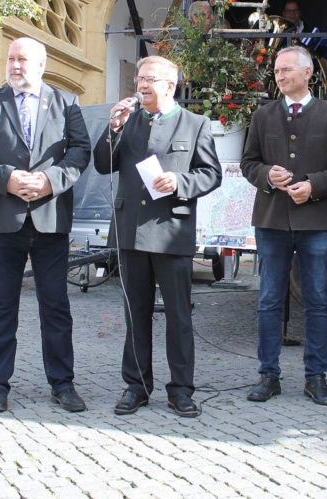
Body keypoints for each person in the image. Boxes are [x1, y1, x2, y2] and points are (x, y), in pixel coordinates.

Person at [0, 37, 91, 414]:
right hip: (5, 219)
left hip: (50, 218)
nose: (15, 65)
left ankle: (62, 383)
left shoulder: (66, 102)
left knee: (56, 306)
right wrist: (5, 178)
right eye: (12, 59)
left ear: (41, 64)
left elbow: (80, 151)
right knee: (1, 306)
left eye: (23, 59)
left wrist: (50, 180)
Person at [93, 56, 222, 418]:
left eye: (150, 78)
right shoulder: (129, 120)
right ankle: (136, 385)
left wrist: (181, 182)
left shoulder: (195, 123)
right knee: (136, 313)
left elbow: (211, 175)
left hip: (171, 232)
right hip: (131, 229)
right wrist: (113, 129)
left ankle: (181, 389)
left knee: (179, 316)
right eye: (139, 78)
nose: (142, 84)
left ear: (170, 84)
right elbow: (104, 164)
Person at [241, 46, 327, 406]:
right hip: (272, 219)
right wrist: (267, 176)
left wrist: (313, 186)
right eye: (277, 70)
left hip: (316, 219)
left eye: (287, 69)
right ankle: (268, 374)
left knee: (318, 301)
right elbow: (249, 163)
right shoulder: (263, 115)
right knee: (269, 300)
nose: (280, 75)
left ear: (308, 73)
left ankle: (316, 376)